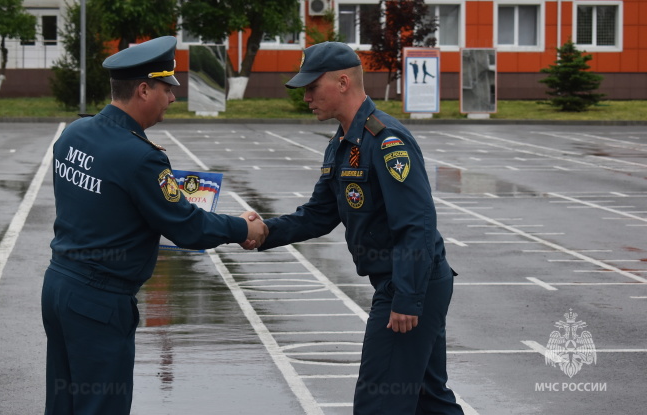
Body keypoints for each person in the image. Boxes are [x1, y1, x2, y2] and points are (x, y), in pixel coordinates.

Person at [42, 35, 268, 415]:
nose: (173, 97)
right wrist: (244, 228)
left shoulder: (74, 134)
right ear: (144, 90)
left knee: (63, 405)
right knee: (101, 407)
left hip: (59, 287)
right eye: (167, 88)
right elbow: (187, 227)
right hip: (99, 300)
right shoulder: (140, 157)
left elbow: (104, 206)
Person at [259, 41, 463, 415]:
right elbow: (318, 215)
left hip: (409, 282)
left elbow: (416, 224)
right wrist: (262, 233)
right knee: (428, 400)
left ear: (341, 82)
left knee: (378, 403)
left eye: (311, 87)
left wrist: (405, 298)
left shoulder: (386, 142)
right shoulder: (343, 142)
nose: (305, 97)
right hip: (412, 282)